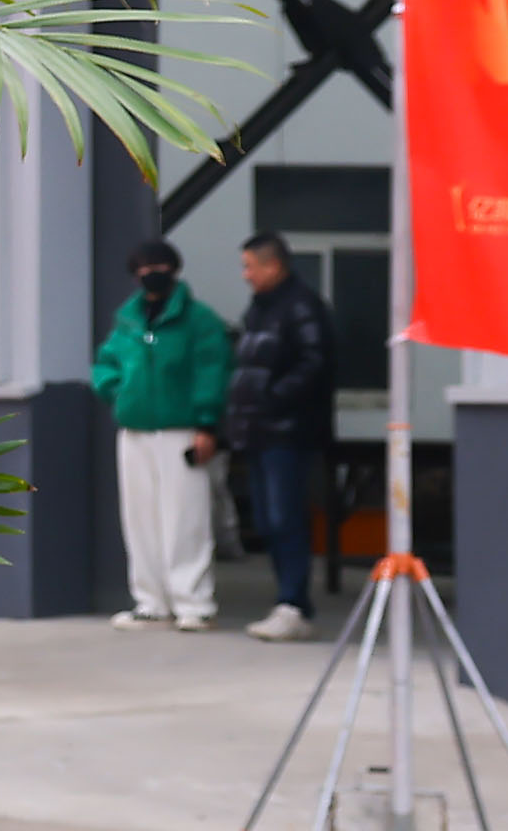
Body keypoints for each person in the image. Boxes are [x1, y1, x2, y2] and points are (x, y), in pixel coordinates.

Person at [93, 237, 232, 631]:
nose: (148, 274)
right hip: (135, 430)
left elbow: (212, 370)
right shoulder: (128, 320)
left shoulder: (200, 320)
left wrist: (207, 424)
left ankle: (194, 602)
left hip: (182, 431)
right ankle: (150, 600)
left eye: (156, 266)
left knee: (186, 517)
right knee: (140, 518)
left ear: (174, 269)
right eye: (141, 267)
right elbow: (105, 364)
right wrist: (118, 394)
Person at [221, 228, 339, 643]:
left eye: (249, 266)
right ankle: (287, 601)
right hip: (258, 432)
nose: (245, 275)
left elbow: (314, 364)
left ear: (273, 266)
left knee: (286, 517)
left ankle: (294, 604)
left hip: (288, 433)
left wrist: (272, 399)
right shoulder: (261, 309)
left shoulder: (301, 308)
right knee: (269, 520)